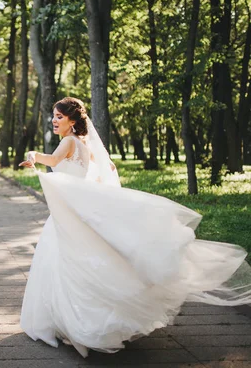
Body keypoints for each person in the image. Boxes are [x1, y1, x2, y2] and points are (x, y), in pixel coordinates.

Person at [19, 97, 251, 358]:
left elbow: (52, 160)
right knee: (81, 262)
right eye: (54, 115)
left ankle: (73, 321)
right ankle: (78, 318)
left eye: (60, 116)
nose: (55, 120)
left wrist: (33, 155)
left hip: (72, 212)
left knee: (67, 262)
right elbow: (107, 169)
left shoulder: (69, 141)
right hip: (77, 210)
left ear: (72, 121)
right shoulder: (85, 144)